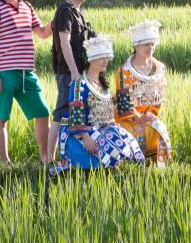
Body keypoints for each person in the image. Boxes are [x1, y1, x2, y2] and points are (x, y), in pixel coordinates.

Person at [0, 0, 53, 164]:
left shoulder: (27, 7)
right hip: (4, 72)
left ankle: (46, 158)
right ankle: (5, 163)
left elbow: (43, 33)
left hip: (27, 73)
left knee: (42, 112)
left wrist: (58, 19)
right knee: (2, 118)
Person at [57, 35, 146, 170]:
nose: (106, 61)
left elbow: (109, 111)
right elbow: (76, 116)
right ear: (92, 59)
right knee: (106, 156)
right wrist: (86, 138)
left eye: (107, 57)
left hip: (101, 130)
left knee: (126, 143)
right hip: (80, 134)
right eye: (102, 57)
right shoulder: (79, 84)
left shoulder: (103, 85)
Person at [48, 0, 96, 159]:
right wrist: (75, 73)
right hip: (68, 73)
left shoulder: (79, 13)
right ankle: (48, 160)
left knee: (76, 113)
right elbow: (64, 42)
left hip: (78, 72)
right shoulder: (65, 12)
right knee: (60, 114)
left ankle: (71, 155)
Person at [115, 20, 172, 166]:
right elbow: (123, 104)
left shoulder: (159, 69)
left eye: (152, 44)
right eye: (146, 44)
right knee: (129, 132)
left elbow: (158, 98)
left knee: (158, 128)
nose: (150, 47)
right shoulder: (124, 71)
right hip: (127, 119)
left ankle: (157, 167)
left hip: (148, 116)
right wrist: (138, 118)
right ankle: (130, 167)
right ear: (136, 45)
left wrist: (147, 116)